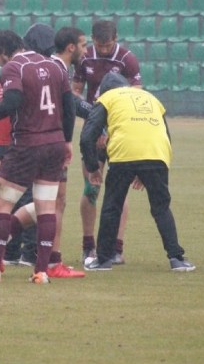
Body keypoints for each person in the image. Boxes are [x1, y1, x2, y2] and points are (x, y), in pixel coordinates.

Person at [0, 29, 75, 285]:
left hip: (27, 144)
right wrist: (67, 140)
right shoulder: (56, 66)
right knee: (47, 206)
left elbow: (11, 102)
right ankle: (42, 271)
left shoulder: (14, 68)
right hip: (55, 143)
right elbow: (69, 107)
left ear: (3, 51)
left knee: (1, 204)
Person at [80, 72, 195, 272]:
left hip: (124, 153)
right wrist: (149, 167)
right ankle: (177, 259)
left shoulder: (106, 98)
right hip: (157, 153)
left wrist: (92, 168)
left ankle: (103, 260)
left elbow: (86, 137)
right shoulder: (151, 98)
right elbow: (165, 134)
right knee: (161, 207)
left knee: (112, 206)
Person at [72, 19, 141, 264]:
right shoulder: (84, 58)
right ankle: (88, 245)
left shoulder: (127, 59)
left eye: (108, 45)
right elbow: (75, 91)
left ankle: (116, 248)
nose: (103, 50)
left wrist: (112, 131)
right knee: (92, 188)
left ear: (116, 39)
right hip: (94, 130)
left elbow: (136, 97)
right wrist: (94, 121)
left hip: (119, 132)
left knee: (118, 192)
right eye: (99, 45)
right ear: (92, 40)